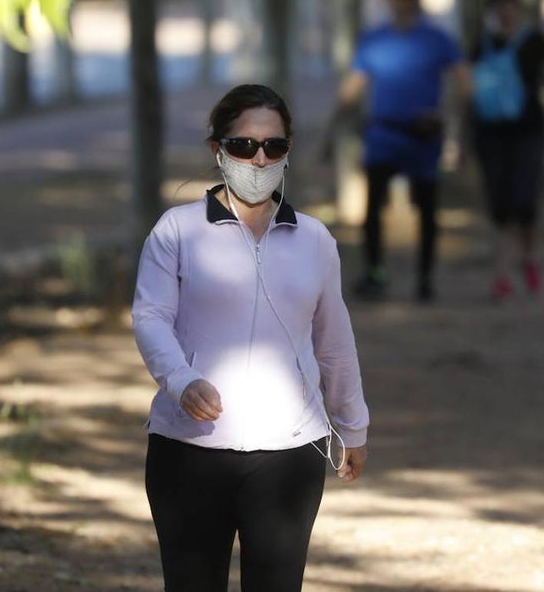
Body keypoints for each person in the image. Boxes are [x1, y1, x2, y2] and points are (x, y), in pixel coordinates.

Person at [133, 84, 369, 591]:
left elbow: (333, 339)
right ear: (218, 149)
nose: (259, 159)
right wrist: (181, 380)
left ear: (287, 151)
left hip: (290, 452)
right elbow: (150, 316)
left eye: (273, 146)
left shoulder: (314, 240)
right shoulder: (176, 231)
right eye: (243, 146)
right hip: (188, 448)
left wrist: (353, 425)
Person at [333, 0, 468, 302]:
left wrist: (449, 121)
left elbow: (464, 83)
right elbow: (353, 88)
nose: (403, 5)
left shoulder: (436, 39)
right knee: (374, 207)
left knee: (427, 208)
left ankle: (424, 278)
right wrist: (336, 123)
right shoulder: (375, 40)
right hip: (384, 132)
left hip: (424, 136)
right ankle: (375, 272)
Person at [468, 0, 544, 301]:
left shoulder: (535, 43)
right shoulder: (482, 45)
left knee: (524, 202)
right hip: (490, 135)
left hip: (528, 134)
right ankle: (504, 273)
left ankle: (526, 260)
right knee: (500, 205)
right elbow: (466, 90)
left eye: (510, 6)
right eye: (501, 7)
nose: (506, 13)